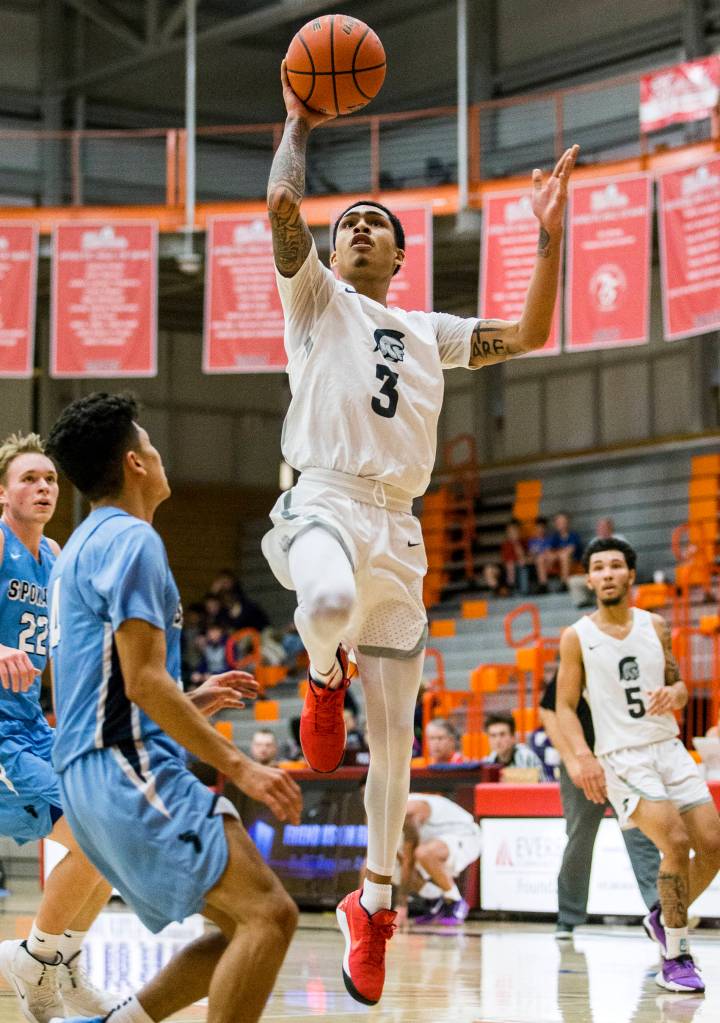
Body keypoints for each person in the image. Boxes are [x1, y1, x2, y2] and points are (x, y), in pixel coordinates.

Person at [263, 56, 577, 1006]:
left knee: (396, 740)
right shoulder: (315, 299)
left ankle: (375, 904)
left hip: (399, 528)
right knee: (321, 600)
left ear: (401, 257)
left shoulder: (433, 330)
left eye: (377, 226)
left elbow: (525, 334)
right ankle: (322, 672)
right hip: (323, 494)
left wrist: (549, 242)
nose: (358, 226)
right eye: (347, 221)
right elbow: (281, 212)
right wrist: (300, 125)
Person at [45, 393, 303, 1023]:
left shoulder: (82, 544)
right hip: (123, 771)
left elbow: (102, 689)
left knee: (248, 922)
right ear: (135, 463)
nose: (161, 459)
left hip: (89, 774)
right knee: (269, 915)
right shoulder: (133, 542)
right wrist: (243, 767)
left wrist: (192, 701)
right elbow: (142, 684)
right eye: (153, 447)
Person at [556, 536, 720, 994]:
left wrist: (679, 694)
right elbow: (564, 706)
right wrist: (582, 757)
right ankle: (677, 955)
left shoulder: (657, 626)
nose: (607, 574)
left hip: (667, 746)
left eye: (615, 566)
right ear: (588, 579)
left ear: (631, 574)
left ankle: (662, 918)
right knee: (676, 842)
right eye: (598, 568)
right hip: (620, 757)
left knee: (714, 844)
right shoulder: (577, 637)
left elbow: (678, 682)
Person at [0, 432, 120, 1023]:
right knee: (91, 835)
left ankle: (54, 960)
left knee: (114, 838)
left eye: (50, 480)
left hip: (33, 726)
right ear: (3, 492)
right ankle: (38, 958)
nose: (43, 488)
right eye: (29, 479)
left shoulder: (57, 556)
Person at [540, 673, 660, 938]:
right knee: (579, 839)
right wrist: (571, 760)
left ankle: (660, 911)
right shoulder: (578, 653)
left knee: (641, 835)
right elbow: (548, 711)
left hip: (624, 762)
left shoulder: (628, 658)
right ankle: (568, 916)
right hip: (583, 764)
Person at [395, 794, 482, 927]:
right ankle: (436, 900)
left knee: (423, 853)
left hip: (467, 836)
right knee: (390, 865)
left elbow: (410, 860)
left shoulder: (409, 812)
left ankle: (455, 901)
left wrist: (401, 905)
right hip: (433, 842)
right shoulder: (376, 814)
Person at [541, 513, 583, 590]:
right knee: (540, 558)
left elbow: (570, 550)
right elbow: (548, 550)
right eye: (558, 522)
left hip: (573, 561)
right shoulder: (555, 536)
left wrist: (556, 554)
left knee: (564, 556)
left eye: (563, 522)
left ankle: (564, 584)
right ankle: (543, 585)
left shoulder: (573, 535)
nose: (561, 524)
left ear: (567, 522)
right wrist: (553, 555)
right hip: (557, 561)